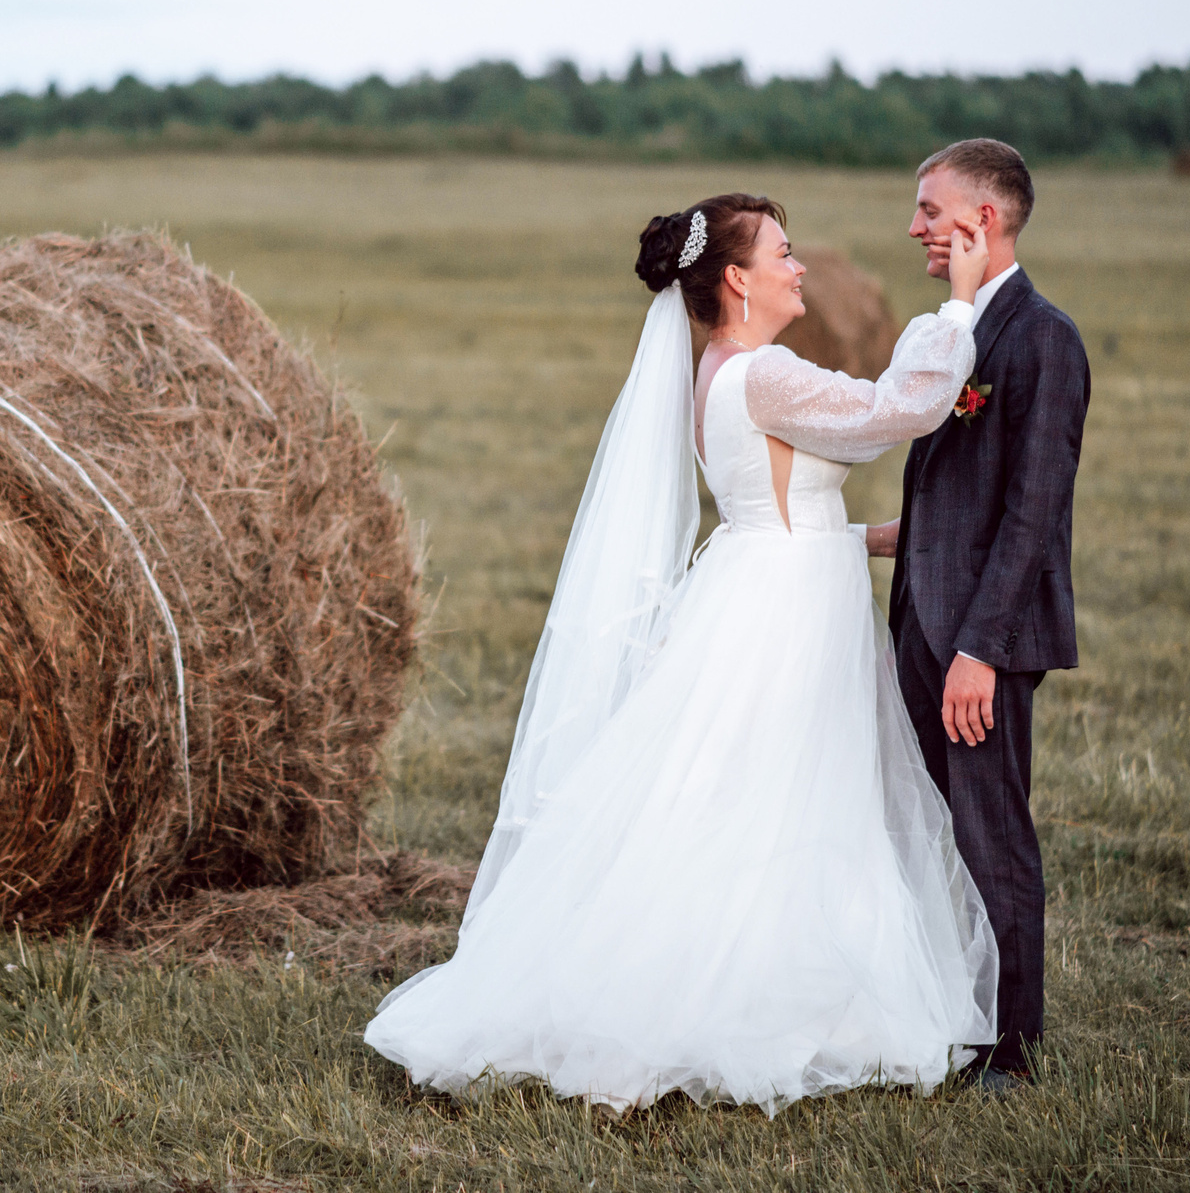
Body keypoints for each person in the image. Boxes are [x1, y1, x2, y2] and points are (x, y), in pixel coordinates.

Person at [364, 193, 1002, 1113]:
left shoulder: (721, 371)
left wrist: (867, 535)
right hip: (779, 614)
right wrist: (958, 306)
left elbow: (772, 502)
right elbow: (896, 409)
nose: (801, 267)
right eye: (784, 253)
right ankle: (717, 1001)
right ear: (737, 278)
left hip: (770, 586)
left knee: (767, 793)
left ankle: (785, 981)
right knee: (766, 798)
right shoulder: (764, 372)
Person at [864, 139, 1089, 1093]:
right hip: (921, 623)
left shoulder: (1044, 339)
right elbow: (950, 495)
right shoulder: (953, 329)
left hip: (978, 644)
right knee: (924, 829)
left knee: (991, 834)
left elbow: (1031, 514)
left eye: (929, 209)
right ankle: (944, 1019)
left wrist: (980, 652)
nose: (915, 225)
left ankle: (1010, 1051)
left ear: (980, 221)